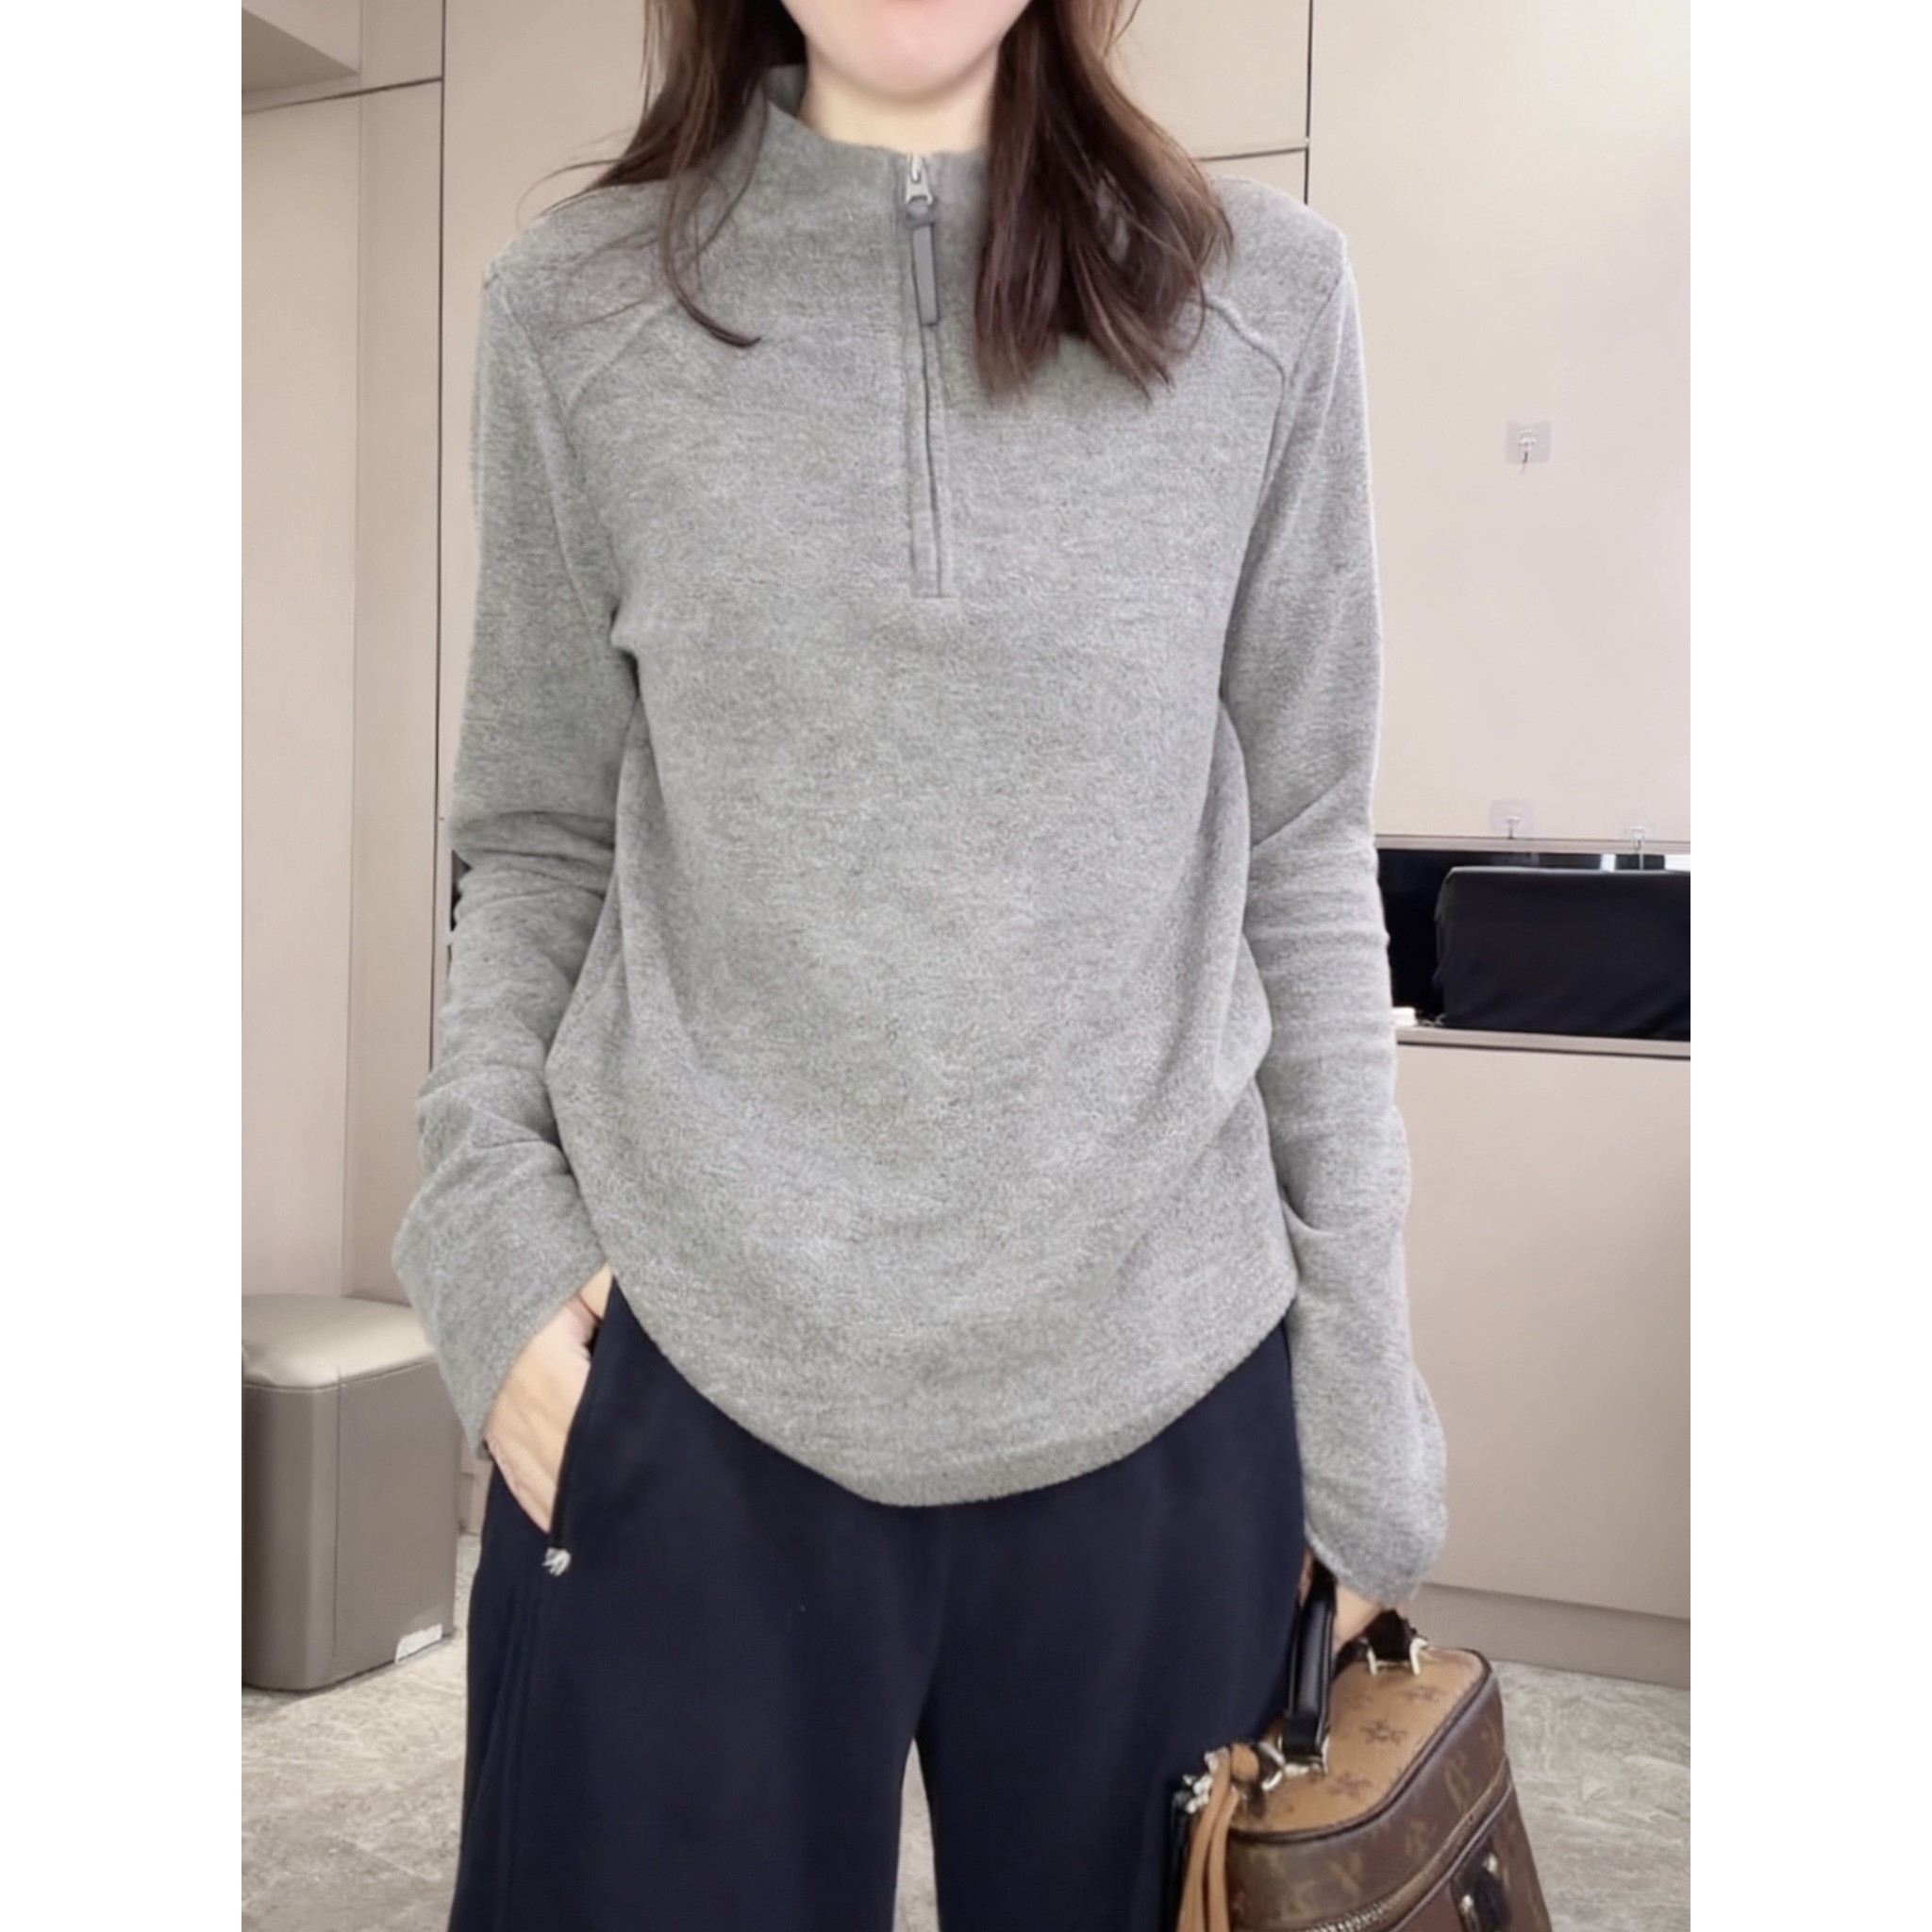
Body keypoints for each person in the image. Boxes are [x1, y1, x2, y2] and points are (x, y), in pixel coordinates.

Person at [391, 4, 1449, 1928]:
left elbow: (1305, 850)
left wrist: (1364, 1389)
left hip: (1163, 1394)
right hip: (685, 1393)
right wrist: (489, 1247)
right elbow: (534, 837)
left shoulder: (1268, 300)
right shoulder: (575, 309)